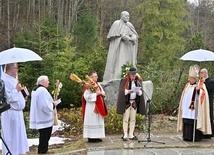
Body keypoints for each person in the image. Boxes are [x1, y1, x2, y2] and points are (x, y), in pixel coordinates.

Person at [177, 65, 211, 141]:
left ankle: (195, 137)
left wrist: (199, 91)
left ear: (195, 79)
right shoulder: (187, 85)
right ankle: (186, 136)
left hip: (195, 109)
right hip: (187, 109)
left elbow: (204, 95)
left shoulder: (201, 85)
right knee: (186, 121)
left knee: (193, 122)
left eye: (190, 78)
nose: (189, 79)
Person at [1, 63, 29, 155]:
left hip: (18, 112)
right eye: (16, 68)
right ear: (10, 68)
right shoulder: (4, 80)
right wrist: (16, 90)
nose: (17, 70)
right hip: (10, 112)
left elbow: (17, 94)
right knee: (11, 135)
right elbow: (7, 98)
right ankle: (11, 152)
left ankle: (18, 152)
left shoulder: (13, 79)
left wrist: (23, 94)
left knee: (18, 135)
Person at [103, 11, 139, 82]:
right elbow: (114, 35)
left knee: (128, 62)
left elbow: (134, 33)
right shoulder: (117, 23)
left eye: (128, 16)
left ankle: (129, 76)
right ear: (121, 16)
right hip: (120, 47)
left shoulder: (129, 25)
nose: (127, 18)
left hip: (128, 47)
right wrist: (125, 38)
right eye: (126, 16)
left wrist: (134, 37)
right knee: (120, 62)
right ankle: (117, 76)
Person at [29, 75, 58, 154]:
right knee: (45, 134)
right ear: (43, 82)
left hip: (39, 115)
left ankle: (43, 149)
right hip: (43, 116)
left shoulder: (35, 90)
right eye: (47, 80)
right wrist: (53, 105)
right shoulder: (42, 90)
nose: (48, 82)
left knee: (43, 134)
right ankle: (43, 150)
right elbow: (44, 105)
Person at [116, 67, 146, 141]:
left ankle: (131, 134)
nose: (134, 76)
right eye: (132, 74)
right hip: (127, 102)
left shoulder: (138, 81)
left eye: (135, 74)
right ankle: (125, 134)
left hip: (134, 102)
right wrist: (128, 91)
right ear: (129, 74)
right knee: (126, 118)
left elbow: (141, 91)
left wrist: (138, 92)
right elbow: (121, 91)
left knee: (133, 119)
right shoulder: (125, 80)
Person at [82, 70, 108, 143]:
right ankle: (91, 137)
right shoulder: (88, 85)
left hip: (98, 106)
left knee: (98, 121)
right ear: (91, 77)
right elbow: (86, 97)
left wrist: (101, 93)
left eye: (97, 76)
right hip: (91, 106)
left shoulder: (97, 84)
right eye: (95, 76)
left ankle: (96, 136)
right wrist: (95, 94)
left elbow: (102, 91)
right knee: (92, 121)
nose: (97, 77)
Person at [200, 68, 214, 137]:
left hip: (208, 101)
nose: (201, 74)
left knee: (209, 116)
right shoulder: (201, 82)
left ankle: (210, 132)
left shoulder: (211, 81)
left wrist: (205, 82)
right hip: (202, 102)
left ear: (205, 73)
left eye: (201, 73)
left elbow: (209, 89)